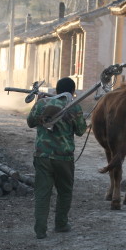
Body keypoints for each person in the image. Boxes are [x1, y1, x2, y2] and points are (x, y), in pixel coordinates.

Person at [26, 77, 87, 239]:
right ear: (73, 92)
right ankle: (60, 224)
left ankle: (40, 230)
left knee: (42, 193)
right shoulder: (74, 107)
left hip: (43, 156)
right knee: (65, 192)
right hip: (64, 158)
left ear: (56, 91)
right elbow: (81, 131)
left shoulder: (42, 104)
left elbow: (30, 122)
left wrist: (38, 103)